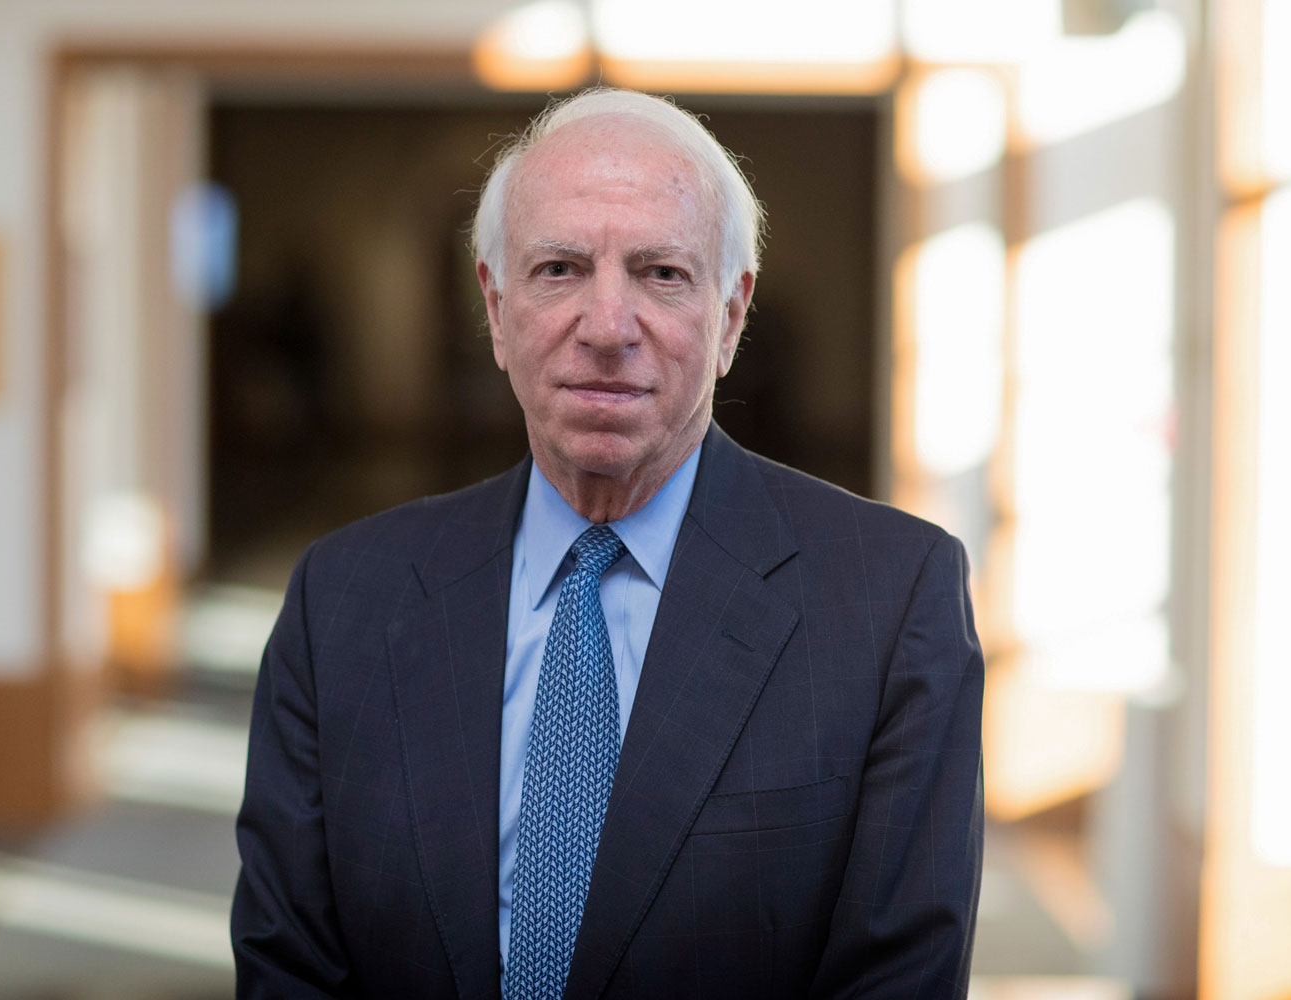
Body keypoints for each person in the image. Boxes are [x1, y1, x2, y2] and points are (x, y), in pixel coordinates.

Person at [232, 87, 984, 1000]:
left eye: (662, 273)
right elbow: (290, 969)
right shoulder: (341, 599)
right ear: (496, 307)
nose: (607, 327)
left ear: (732, 318)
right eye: (558, 269)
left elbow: (895, 981)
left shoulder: (890, 601)